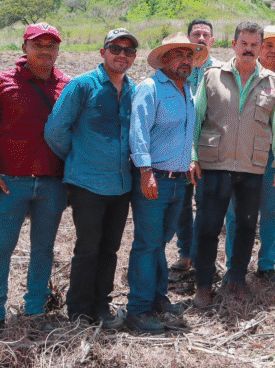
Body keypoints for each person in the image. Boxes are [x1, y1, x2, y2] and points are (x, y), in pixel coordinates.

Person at [44, 28, 139, 329]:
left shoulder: (133, 90)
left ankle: (102, 304)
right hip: (87, 184)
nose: (121, 54)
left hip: (121, 185)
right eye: (115, 48)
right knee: (87, 248)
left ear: (134, 57)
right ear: (103, 52)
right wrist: (79, 157)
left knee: (110, 249)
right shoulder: (82, 86)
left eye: (128, 50)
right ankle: (79, 311)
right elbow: (55, 131)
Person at [190, 22, 275, 308]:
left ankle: (237, 280)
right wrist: (192, 155)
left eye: (254, 44)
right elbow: (197, 118)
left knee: (246, 226)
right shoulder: (212, 77)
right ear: (234, 45)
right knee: (209, 227)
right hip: (215, 163)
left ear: (259, 48)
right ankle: (204, 286)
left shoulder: (271, 82)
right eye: (244, 43)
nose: (249, 49)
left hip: (252, 167)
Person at [127, 32, 207, 333]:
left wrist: (189, 160)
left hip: (178, 182)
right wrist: (145, 171)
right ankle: (137, 309)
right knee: (147, 245)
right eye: (178, 55)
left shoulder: (186, 90)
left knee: (159, 243)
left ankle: (157, 298)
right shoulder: (151, 88)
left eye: (189, 56)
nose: (185, 61)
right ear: (165, 60)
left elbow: (183, 135)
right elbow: (139, 132)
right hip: (154, 179)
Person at [0, 23, 70, 330]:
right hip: (10, 182)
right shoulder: (4, 82)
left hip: (52, 182)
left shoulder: (67, 85)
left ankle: (35, 310)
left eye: (50, 46)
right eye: (37, 45)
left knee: (43, 248)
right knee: (2, 247)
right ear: (24, 47)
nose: (44, 51)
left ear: (57, 50)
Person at [222, 25, 275, 286]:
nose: (273, 51)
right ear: (258, 47)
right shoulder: (238, 75)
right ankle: (233, 267)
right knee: (235, 213)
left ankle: (266, 264)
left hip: (271, 157)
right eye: (269, 45)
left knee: (270, 211)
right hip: (241, 155)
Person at [172, 19, 219, 271]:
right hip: (179, 147)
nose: (201, 38)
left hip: (208, 149)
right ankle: (185, 253)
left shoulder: (221, 70)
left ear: (212, 41)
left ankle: (201, 255)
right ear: (188, 39)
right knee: (181, 203)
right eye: (196, 34)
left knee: (204, 204)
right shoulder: (178, 69)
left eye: (205, 35)